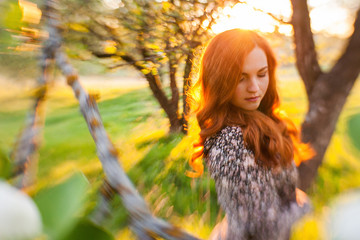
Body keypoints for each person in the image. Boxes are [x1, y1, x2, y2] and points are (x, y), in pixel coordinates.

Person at [187, 29, 313, 240]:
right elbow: (264, 229)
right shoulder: (231, 142)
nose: (254, 88)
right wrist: (305, 207)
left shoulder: (260, 121)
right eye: (240, 78)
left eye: (261, 74)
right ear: (221, 81)